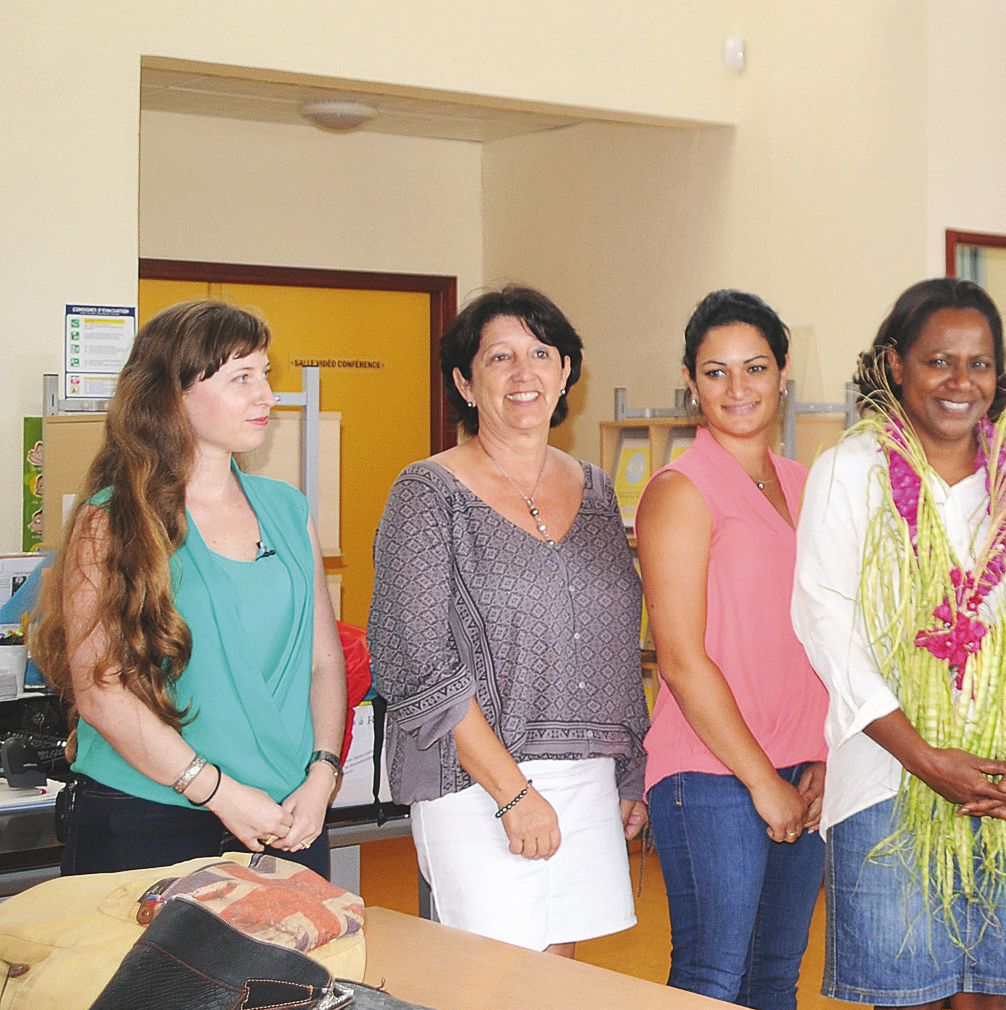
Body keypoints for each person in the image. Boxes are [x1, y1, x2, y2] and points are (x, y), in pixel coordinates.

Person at [792, 277, 1006, 1010]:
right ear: (895, 364)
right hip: (889, 778)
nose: (961, 382)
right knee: (907, 1004)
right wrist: (924, 756)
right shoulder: (850, 471)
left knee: (995, 1000)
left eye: (979, 363)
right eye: (938, 361)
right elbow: (826, 621)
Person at [370, 285, 648, 956]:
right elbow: (415, 661)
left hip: (584, 778)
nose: (524, 373)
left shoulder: (598, 491)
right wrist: (512, 792)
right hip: (475, 781)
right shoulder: (427, 492)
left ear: (564, 374)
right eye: (499, 357)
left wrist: (625, 772)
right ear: (466, 382)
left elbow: (610, 644)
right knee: (496, 995)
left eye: (541, 353)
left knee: (558, 990)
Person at [34, 299, 347, 878]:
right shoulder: (112, 521)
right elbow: (101, 691)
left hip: (286, 812)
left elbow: (323, 663)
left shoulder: (287, 509)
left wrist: (322, 773)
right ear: (171, 396)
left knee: (290, 970)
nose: (266, 396)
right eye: (241, 378)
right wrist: (217, 792)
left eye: (265, 374)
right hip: (149, 814)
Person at [639, 289, 829, 1010]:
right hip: (713, 776)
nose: (737, 387)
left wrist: (821, 754)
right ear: (691, 381)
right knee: (713, 980)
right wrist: (761, 780)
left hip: (798, 765)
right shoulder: (680, 490)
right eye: (715, 371)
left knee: (774, 978)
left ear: (783, 374)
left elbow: (826, 635)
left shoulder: (806, 486)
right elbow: (681, 658)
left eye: (754, 367)